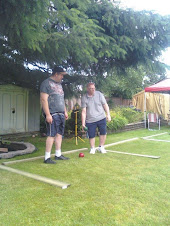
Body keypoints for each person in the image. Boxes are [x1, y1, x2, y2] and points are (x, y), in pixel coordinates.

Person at [40, 66, 69, 164]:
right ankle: (47, 158)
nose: (62, 77)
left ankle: (58, 154)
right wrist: (48, 114)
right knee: (51, 134)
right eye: (61, 75)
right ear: (56, 74)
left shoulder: (59, 85)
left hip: (61, 113)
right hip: (52, 113)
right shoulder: (46, 83)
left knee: (59, 134)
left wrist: (65, 111)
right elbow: (44, 100)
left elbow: (61, 98)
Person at [81, 82, 111, 154]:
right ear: (87, 89)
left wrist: (108, 114)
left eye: (93, 88)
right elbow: (83, 111)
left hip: (101, 117)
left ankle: (101, 147)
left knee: (103, 132)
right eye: (90, 88)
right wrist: (83, 123)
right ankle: (92, 148)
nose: (92, 90)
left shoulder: (99, 94)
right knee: (91, 135)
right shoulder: (84, 98)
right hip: (90, 120)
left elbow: (105, 105)